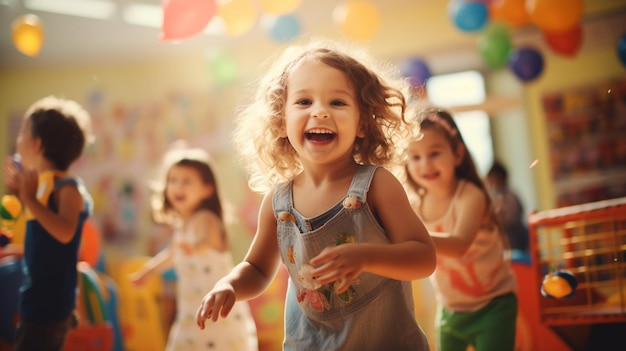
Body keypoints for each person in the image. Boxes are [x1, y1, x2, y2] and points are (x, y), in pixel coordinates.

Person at [195, 39, 437, 350]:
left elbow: (423, 257)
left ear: (362, 123)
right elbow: (256, 269)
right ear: (281, 121)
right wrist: (229, 284)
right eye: (304, 102)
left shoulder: (376, 185)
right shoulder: (278, 203)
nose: (320, 112)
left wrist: (366, 256)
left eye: (337, 103)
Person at [403, 107, 518, 351]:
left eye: (434, 153)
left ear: (457, 154)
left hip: (494, 305)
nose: (425, 164)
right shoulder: (413, 205)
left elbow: (459, 245)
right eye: (415, 157)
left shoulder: (470, 196)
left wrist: (409, 238)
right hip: (450, 310)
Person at [129, 143, 258, 351]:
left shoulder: (205, 219)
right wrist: (148, 271)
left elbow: (206, 239)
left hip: (216, 309)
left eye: (187, 181)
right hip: (192, 308)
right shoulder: (182, 225)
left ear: (207, 189)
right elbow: (171, 254)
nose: (178, 187)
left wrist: (195, 247)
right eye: (173, 181)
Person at [1, 96, 94, 351]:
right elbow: (42, 244)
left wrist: (29, 198)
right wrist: (23, 194)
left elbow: (64, 233)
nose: (18, 140)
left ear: (37, 144)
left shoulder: (68, 187)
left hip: (50, 307)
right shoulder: (41, 187)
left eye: (22, 132)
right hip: (35, 302)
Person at [486, 161, 529, 252]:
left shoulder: (510, 196)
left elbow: (513, 218)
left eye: (494, 178)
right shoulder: (492, 196)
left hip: (515, 238)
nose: (492, 182)